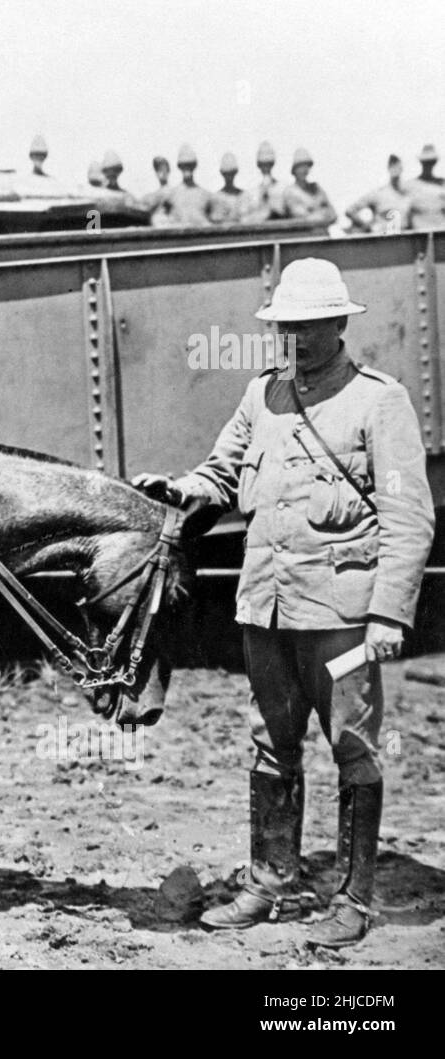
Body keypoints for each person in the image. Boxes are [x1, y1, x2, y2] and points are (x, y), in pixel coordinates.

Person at [133, 259, 434, 948]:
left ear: (338, 324)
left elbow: (409, 514)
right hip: (265, 607)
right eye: (284, 326)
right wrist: (181, 488)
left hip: (342, 616)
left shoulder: (377, 401)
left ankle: (354, 898)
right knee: (270, 743)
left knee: (353, 746)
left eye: (307, 326)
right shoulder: (262, 395)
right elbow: (222, 469)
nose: (294, 338)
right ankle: (268, 882)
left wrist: (389, 611)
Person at [345, 155, 409, 234]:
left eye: (398, 167)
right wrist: (367, 227)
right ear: (389, 168)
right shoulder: (379, 194)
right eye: (392, 166)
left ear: (402, 169)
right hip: (383, 239)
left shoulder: (408, 195)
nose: (395, 170)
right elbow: (350, 211)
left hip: (404, 240)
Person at [282, 148, 337, 226]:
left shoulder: (316, 188)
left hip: (323, 232)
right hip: (303, 234)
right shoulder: (290, 191)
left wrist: (321, 213)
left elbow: (333, 214)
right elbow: (302, 217)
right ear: (294, 170)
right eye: (300, 167)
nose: (304, 170)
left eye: (306, 166)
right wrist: (321, 213)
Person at [166, 144, 214, 226]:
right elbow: (159, 216)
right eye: (183, 165)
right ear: (179, 167)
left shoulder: (206, 195)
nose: (187, 168)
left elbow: (215, 220)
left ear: (194, 166)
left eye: (190, 165)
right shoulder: (171, 194)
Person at [238, 141, 286, 224]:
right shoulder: (250, 192)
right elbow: (243, 218)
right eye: (263, 164)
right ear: (259, 165)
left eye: (269, 164)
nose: (266, 167)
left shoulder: (283, 189)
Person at [406, 144, 445, 230]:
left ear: (434, 163)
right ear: (421, 163)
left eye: (431, 162)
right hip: (419, 232)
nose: (428, 165)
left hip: (440, 230)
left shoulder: (442, 184)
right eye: (426, 162)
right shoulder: (411, 185)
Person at [210, 153, 245, 224]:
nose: (229, 177)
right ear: (222, 173)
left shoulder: (243, 195)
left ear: (235, 173)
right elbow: (215, 219)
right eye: (226, 174)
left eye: (231, 173)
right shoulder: (216, 197)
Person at [143, 155, 174, 226]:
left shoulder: (174, 192)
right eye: (158, 170)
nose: (162, 173)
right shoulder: (152, 196)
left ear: (168, 171)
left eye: (164, 169)